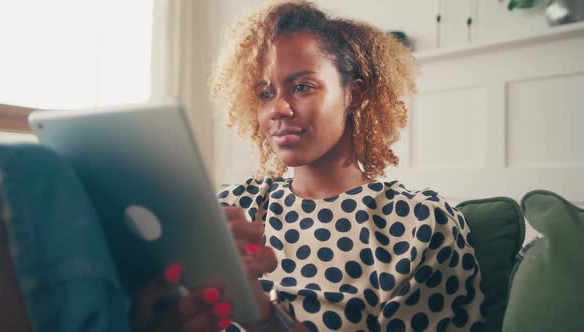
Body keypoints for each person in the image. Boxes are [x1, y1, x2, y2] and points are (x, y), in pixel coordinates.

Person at [138, 1, 485, 331]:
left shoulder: (419, 225)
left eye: (302, 87)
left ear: (354, 95)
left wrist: (264, 319)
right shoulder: (232, 210)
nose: (278, 109)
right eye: (264, 93)